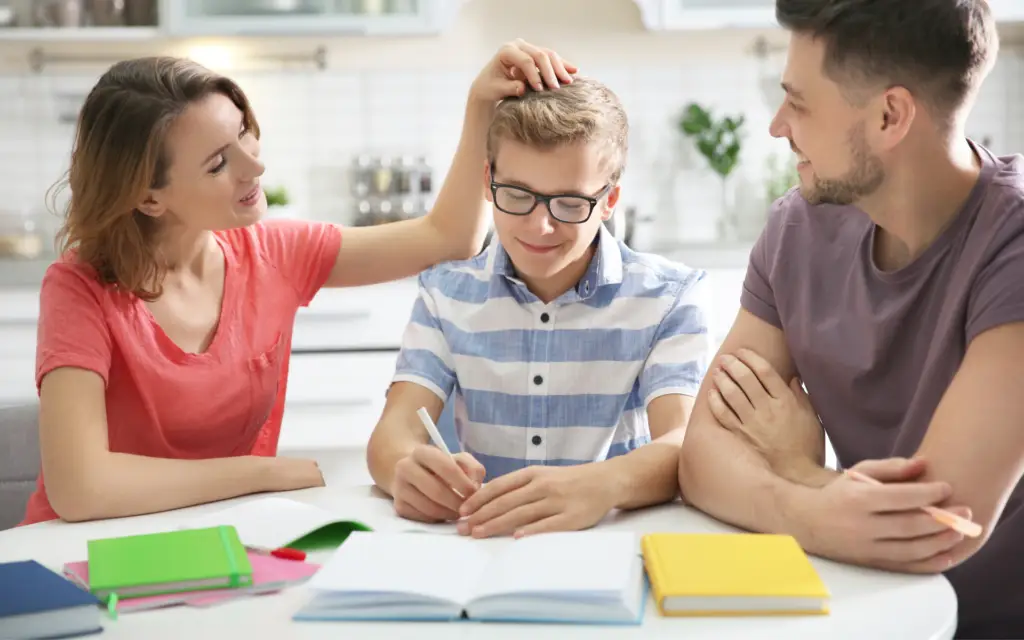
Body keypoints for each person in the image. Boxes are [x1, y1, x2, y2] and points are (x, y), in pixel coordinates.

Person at [20, 39, 572, 526]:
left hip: (226, 535)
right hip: (82, 550)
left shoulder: (275, 253)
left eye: (243, 135)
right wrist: (260, 473)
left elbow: (448, 236)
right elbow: (80, 488)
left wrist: (481, 106)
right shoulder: (79, 288)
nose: (253, 168)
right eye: (218, 163)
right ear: (148, 197)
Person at [675, 1, 1023, 637]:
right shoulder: (796, 229)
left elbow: (935, 528)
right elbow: (702, 455)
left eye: (799, 103)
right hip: (855, 610)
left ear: (890, 115)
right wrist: (812, 504)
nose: (778, 126)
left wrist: (797, 470)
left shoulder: (1015, 245)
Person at [366, 75, 711, 539]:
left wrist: (600, 486)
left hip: (611, 543)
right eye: (518, 196)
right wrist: (405, 469)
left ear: (609, 199)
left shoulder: (668, 297)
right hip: (483, 541)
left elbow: (684, 441)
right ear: (489, 183)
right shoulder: (444, 294)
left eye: (569, 203)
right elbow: (392, 434)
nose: (540, 225)